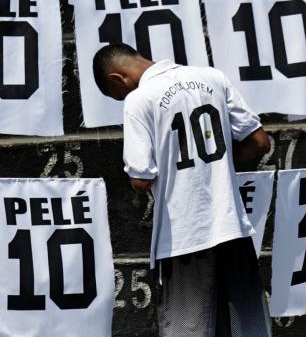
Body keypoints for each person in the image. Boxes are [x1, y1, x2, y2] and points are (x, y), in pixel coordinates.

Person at [92, 43, 273, 337]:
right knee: (247, 327)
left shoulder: (139, 100)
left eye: (119, 95)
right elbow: (259, 142)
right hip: (232, 228)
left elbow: (140, 179)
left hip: (185, 236)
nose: (123, 97)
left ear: (117, 78)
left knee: (186, 329)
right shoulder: (212, 77)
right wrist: (220, 161)